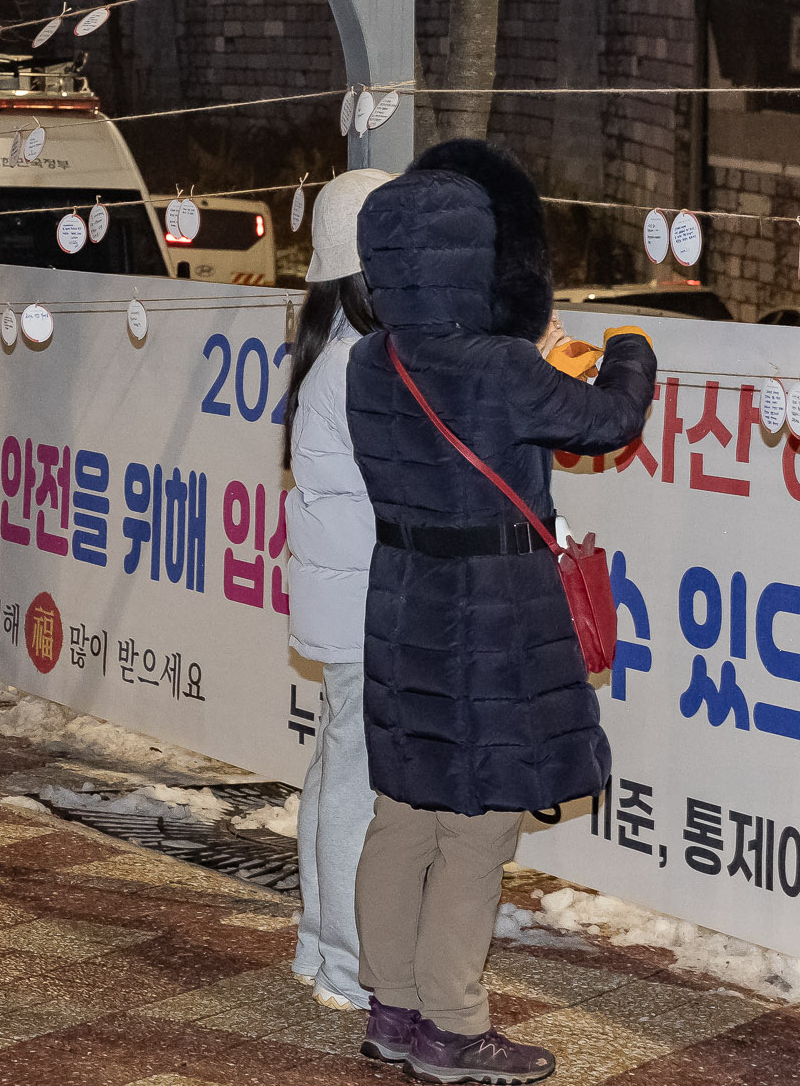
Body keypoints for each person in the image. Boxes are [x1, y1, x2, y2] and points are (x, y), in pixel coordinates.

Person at [346, 140, 656, 1084]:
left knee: (404, 813)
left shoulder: (371, 361)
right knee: (479, 828)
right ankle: (452, 1024)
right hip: (490, 617)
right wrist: (632, 351)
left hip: (402, 599)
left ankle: (392, 1009)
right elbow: (608, 420)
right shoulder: (496, 366)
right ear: (475, 255)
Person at [279, 168, 392, 1015]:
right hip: (363, 606)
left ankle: (320, 941)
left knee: (333, 767)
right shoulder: (361, 368)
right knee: (354, 777)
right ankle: (348, 958)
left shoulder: (326, 354)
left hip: (341, 603)